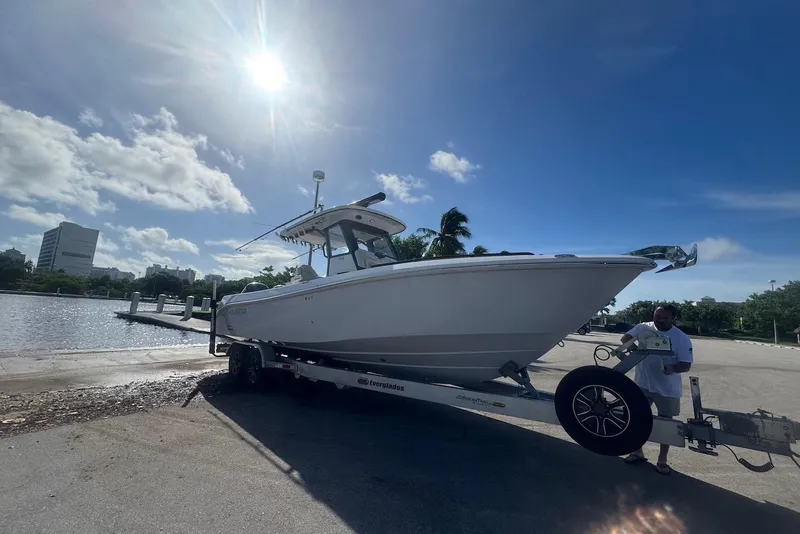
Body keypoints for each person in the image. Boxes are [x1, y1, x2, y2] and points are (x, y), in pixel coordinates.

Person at [620, 304, 693, 475]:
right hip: (642, 384)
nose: (659, 320)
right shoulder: (644, 327)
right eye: (657, 315)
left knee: (665, 424)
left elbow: (686, 365)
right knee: (637, 419)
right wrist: (632, 348)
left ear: (673, 319)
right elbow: (625, 338)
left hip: (667, 389)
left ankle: (662, 460)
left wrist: (672, 368)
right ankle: (637, 452)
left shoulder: (681, 338)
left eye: (664, 317)